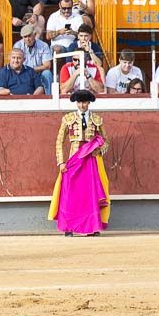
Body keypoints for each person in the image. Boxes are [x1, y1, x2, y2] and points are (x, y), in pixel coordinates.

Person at [49, 89, 110, 237]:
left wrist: (100, 151)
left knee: (90, 193)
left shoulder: (97, 119)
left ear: (89, 103)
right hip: (74, 159)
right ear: (77, 103)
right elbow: (59, 141)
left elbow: (106, 141)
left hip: (90, 160)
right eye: (80, 102)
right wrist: (61, 162)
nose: (82, 105)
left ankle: (92, 226)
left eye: (84, 102)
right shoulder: (68, 118)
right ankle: (69, 227)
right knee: (71, 194)